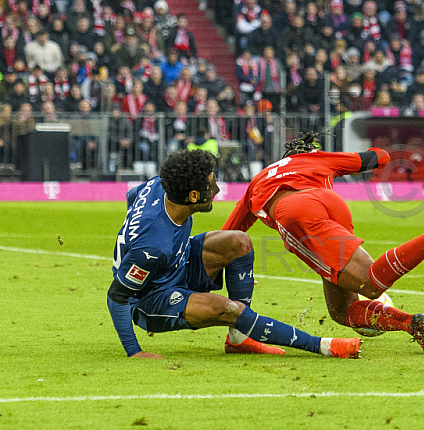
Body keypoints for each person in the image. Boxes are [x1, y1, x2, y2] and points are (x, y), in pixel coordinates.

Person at [222, 133, 424, 354]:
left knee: (370, 284)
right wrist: (348, 159)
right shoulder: (318, 160)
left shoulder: (257, 182)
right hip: (332, 204)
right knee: (341, 311)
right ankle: (412, 324)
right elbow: (381, 157)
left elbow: (227, 237)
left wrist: (231, 274)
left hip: (296, 212)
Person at [107, 150, 361, 359]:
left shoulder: (157, 186)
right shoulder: (153, 247)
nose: (216, 190)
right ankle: (323, 346)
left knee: (239, 241)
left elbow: (133, 197)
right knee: (229, 309)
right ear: (193, 196)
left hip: (177, 263)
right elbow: (117, 296)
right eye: (211, 185)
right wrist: (134, 352)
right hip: (152, 297)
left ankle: (239, 339)